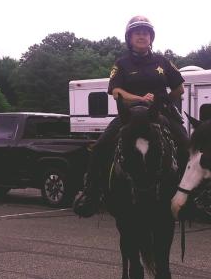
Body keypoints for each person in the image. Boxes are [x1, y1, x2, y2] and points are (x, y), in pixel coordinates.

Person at [72, 15, 189, 217]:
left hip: (161, 114)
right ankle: (90, 193)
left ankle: (193, 196)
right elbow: (116, 92)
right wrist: (140, 99)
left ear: (151, 37)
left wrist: (164, 101)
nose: (142, 36)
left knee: (188, 145)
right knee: (100, 146)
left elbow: (179, 88)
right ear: (130, 38)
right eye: (137, 33)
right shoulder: (122, 63)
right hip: (130, 115)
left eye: (145, 33)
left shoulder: (163, 61)